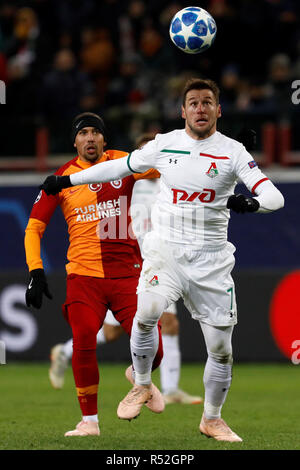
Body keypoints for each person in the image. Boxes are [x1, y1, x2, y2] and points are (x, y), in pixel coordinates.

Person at [40, 78, 285, 442]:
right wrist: (67, 182)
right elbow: (117, 168)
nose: (200, 109)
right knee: (147, 314)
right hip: (165, 252)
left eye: (207, 103)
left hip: (212, 262)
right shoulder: (164, 145)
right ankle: (141, 384)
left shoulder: (233, 152)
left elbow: (274, 196)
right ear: (182, 111)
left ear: (218, 110)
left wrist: (252, 203)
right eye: (193, 103)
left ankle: (212, 419)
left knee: (221, 351)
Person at [25, 112, 165, 437]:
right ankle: (90, 422)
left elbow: (168, 168)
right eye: (83, 133)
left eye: (95, 133)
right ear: (74, 141)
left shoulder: (123, 163)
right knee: (84, 340)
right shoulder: (61, 179)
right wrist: (36, 270)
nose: (90, 138)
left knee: (154, 347)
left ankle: (139, 376)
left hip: (128, 274)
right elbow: (34, 229)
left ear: (104, 139)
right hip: (84, 277)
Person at [49, 132, 203, 405]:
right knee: (116, 332)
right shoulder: (130, 182)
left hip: (158, 264)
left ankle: (169, 388)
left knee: (167, 324)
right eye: (146, 152)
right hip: (132, 266)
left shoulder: (168, 185)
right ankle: (65, 351)